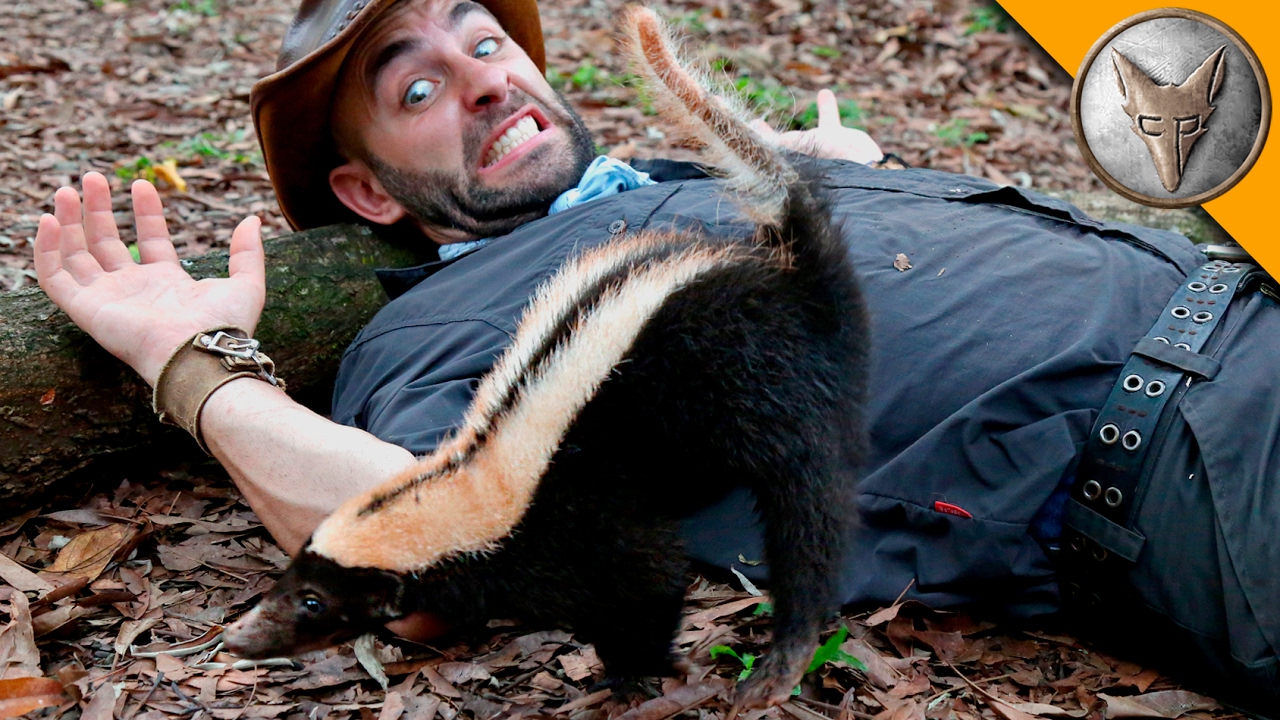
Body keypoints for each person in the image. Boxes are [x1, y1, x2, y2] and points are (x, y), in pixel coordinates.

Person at [30, 0, 1280, 710]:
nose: (476, 79)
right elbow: (414, 543)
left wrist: (839, 180)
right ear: (363, 194)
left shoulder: (692, 182)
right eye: (415, 92)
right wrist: (188, 360)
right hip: (1180, 452)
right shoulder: (438, 326)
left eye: (479, 37)